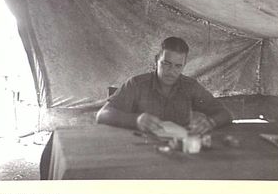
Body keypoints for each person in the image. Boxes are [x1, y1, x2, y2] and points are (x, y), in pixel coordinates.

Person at [96, 37, 231, 135]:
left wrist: (210, 123)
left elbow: (225, 113)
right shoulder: (136, 84)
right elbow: (103, 114)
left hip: (178, 151)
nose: (171, 71)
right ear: (156, 61)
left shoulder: (190, 86)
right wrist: (136, 120)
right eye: (166, 64)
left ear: (184, 65)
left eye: (178, 66)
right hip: (142, 150)